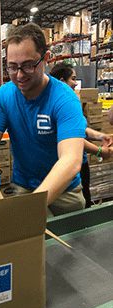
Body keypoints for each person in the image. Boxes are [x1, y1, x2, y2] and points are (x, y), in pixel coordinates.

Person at [0, 23, 87, 217]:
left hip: (65, 191)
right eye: (12, 67)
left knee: (70, 241)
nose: (19, 75)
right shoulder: (4, 96)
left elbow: (71, 160)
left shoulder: (64, 99)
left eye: (28, 66)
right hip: (24, 186)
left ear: (46, 58)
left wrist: (34, 206)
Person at [50, 62, 113, 207]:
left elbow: (80, 129)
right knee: (77, 206)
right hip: (69, 165)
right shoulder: (58, 104)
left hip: (81, 163)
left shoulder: (71, 100)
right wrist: (99, 151)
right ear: (61, 81)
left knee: (85, 199)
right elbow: (74, 139)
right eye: (73, 78)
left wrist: (99, 136)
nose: (75, 83)